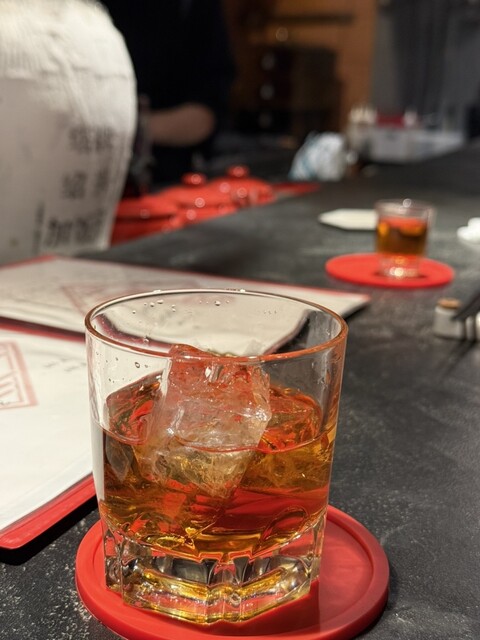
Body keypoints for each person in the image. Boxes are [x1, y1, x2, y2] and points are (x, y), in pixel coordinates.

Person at [101, 0, 235, 188]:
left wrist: (135, 130)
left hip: (166, 177)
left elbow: (206, 114)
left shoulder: (195, 7)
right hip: (85, 166)